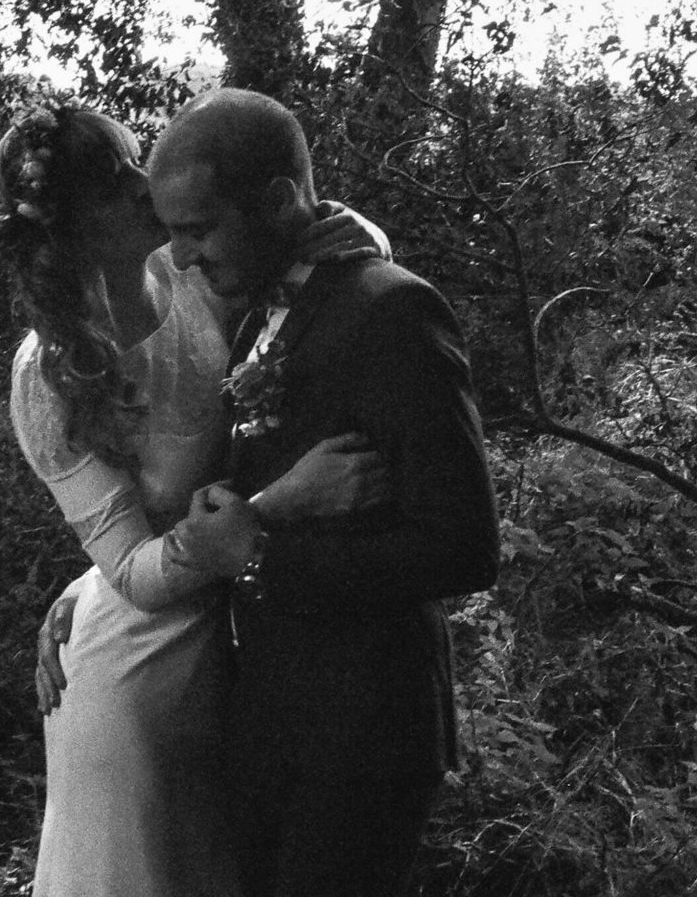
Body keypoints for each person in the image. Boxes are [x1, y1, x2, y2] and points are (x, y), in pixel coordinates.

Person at [0, 103, 390, 897]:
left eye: (134, 157)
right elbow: (134, 567)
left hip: (239, 654)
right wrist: (276, 505)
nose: (143, 182)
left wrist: (360, 233)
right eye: (112, 181)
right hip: (134, 684)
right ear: (66, 228)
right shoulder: (48, 376)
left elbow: (316, 272)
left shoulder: (190, 272)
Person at [154, 87, 502, 897]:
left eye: (199, 229)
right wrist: (95, 595)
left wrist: (261, 555)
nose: (181, 257)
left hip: (364, 733)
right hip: (269, 721)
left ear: (278, 202)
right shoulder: (259, 313)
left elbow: (464, 545)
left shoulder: (393, 311)